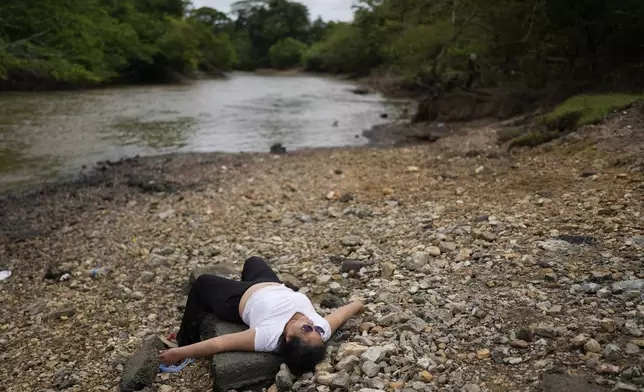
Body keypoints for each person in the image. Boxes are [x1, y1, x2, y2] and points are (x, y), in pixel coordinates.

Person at [159, 256, 364, 375]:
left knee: (202, 282)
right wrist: (359, 303)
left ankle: (184, 337)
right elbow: (340, 314)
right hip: (272, 284)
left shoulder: (268, 336)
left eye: (307, 329)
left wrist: (181, 353)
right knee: (253, 261)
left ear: (288, 337)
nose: (313, 324)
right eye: (316, 329)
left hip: (236, 298)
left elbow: (220, 343)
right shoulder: (319, 332)